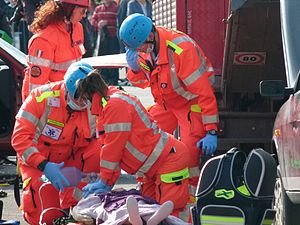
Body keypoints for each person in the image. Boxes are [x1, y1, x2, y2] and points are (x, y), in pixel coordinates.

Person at [119, 13, 219, 201]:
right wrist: (134, 69)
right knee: (144, 138)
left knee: (188, 155)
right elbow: (144, 82)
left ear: (150, 36)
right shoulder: (145, 48)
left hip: (191, 102)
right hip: (167, 103)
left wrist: (211, 130)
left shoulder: (181, 50)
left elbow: (204, 92)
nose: (138, 51)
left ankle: (190, 202)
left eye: (139, 46)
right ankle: (147, 195)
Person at [72, 64, 190, 221]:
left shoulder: (114, 106)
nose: (85, 105)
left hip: (169, 161)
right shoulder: (108, 104)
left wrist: (105, 180)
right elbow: (113, 152)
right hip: (152, 168)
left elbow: (113, 148)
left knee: (170, 216)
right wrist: (108, 181)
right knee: (147, 214)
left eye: (84, 99)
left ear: (89, 94)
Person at [11, 62, 100, 225]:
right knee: (45, 215)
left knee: (101, 150)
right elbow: (20, 138)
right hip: (39, 162)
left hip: (73, 159)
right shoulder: (40, 98)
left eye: (87, 99)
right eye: (79, 99)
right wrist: (45, 166)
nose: (83, 104)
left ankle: (81, 205)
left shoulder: (96, 101)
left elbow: (112, 136)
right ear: (67, 91)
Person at [21, 0, 89, 102]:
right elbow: (35, 88)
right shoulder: (44, 40)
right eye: (82, 11)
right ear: (69, 8)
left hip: (68, 98)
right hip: (50, 102)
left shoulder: (77, 28)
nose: (84, 16)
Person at [71, 189, 190, 225]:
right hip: (139, 203)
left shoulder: (102, 197)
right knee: (149, 209)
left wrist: (77, 212)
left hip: (117, 206)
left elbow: (81, 209)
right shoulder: (134, 193)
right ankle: (151, 220)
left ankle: (133, 220)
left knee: (119, 214)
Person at [91, 0, 119, 85]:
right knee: (102, 58)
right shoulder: (98, 9)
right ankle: (103, 79)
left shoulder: (116, 8)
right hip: (102, 40)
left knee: (113, 58)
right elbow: (92, 21)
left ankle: (113, 79)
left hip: (112, 38)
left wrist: (107, 22)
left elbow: (118, 21)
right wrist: (98, 24)